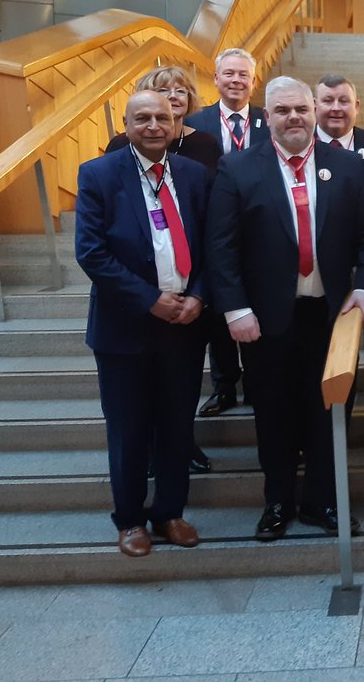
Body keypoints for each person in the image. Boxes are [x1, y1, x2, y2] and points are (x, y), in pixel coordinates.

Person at [206, 77, 364, 542]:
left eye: (301, 109)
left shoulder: (348, 166)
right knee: (273, 412)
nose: (294, 118)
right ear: (266, 116)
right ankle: (278, 501)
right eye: (283, 110)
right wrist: (235, 309)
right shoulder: (237, 169)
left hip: (332, 316)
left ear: (314, 112)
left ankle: (323, 500)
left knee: (330, 409)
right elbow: (221, 247)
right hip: (265, 320)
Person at [75, 91, 210, 557]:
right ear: (126, 124)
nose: (154, 126)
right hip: (125, 327)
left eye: (162, 118)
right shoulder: (98, 174)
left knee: (177, 425)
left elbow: (212, 245)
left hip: (184, 325)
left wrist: (199, 296)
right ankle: (130, 520)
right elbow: (91, 253)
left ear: (176, 123)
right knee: (129, 428)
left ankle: (170, 512)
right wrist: (150, 300)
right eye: (143, 118)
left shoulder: (194, 175)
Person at [106, 66, 220, 475]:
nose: (172, 98)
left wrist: (199, 293)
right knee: (138, 397)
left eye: (179, 91)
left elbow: (211, 227)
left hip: (189, 297)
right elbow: (106, 236)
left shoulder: (203, 147)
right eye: (161, 91)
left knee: (181, 389)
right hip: (137, 301)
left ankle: (182, 447)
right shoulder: (118, 151)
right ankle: (149, 462)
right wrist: (148, 296)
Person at [184, 48, 271, 418]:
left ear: (254, 81)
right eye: (229, 74)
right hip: (212, 229)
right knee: (219, 311)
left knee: (258, 309)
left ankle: (257, 384)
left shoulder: (269, 120)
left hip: (260, 229)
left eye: (243, 75)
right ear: (216, 79)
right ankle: (224, 386)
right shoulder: (194, 122)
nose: (236, 80)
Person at [315, 74, 364, 188]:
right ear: (314, 106)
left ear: (356, 107)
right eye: (328, 101)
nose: (336, 108)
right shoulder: (301, 146)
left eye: (343, 101)